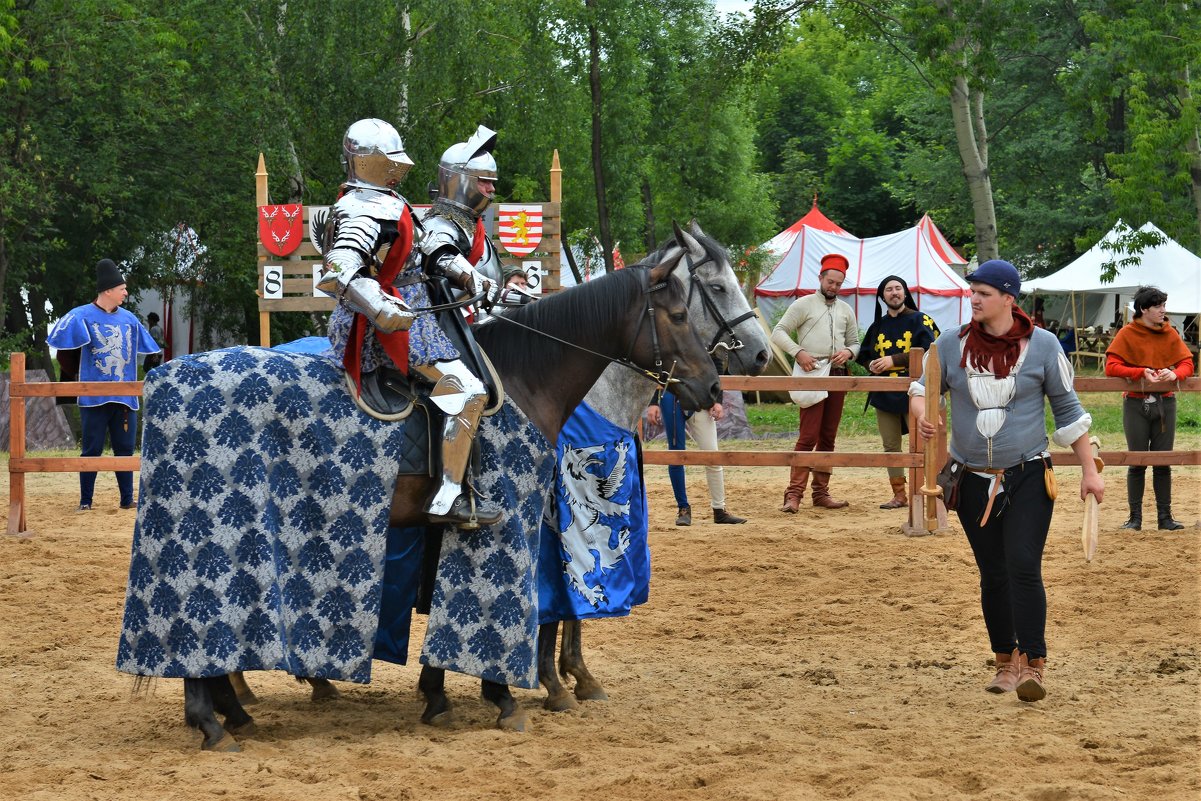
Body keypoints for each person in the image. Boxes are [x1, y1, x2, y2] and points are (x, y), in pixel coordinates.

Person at [909, 259, 1104, 703]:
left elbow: (1069, 412)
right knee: (993, 573)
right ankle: (1004, 660)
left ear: (1008, 299)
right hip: (971, 480)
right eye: (972, 291)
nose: (974, 299)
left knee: (1021, 564)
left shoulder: (1043, 346)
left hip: (1029, 475)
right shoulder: (949, 346)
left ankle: (1034, 663)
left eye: (984, 292)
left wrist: (1090, 470)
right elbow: (922, 391)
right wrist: (926, 418)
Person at [317, 119, 500, 529]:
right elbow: (338, 270)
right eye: (391, 160)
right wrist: (379, 305)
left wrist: (471, 277)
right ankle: (449, 499)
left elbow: (428, 250)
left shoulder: (386, 199)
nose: (401, 168)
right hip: (384, 321)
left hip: (411, 309)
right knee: (469, 391)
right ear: (368, 162)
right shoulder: (360, 205)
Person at [48, 259, 161, 511]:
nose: (126, 293)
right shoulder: (80, 317)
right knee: (91, 450)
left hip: (124, 398)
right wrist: (74, 375)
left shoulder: (130, 320)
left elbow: (151, 353)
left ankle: (126, 500)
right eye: (122, 288)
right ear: (108, 290)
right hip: (93, 397)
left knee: (124, 451)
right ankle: (86, 501)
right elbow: (64, 351)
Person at [770, 252, 860, 511]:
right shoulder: (803, 305)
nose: (834, 287)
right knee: (808, 435)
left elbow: (854, 341)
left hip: (838, 374)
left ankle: (821, 493)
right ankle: (794, 495)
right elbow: (778, 332)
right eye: (830, 281)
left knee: (828, 436)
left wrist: (850, 352)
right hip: (811, 371)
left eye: (839, 283)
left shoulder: (846, 310)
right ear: (820, 278)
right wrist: (798, 352)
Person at [1104, 286, 1194, 531]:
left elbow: (1187, 363)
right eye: (1158, 306)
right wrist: (1139, 372)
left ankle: (1165, 518)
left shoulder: (1170, 333)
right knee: (1137, 460)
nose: (1163, 310)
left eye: (1164, 305)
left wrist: (1174, 373)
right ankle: (1135, 519)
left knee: (1163, 461)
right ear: (1144, 309)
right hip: (1135, 403)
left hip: (1166, 403)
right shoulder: (1127, 333)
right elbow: (1111, 366)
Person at [856, 275, 940, 509]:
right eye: (889, 290)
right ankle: (900, 494)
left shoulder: (920, 320)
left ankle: (928, 489)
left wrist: (894, 360)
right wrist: (871, 365)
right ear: (882, 296)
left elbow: (930, 349)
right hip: (884, 394)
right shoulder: (878, 325)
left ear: (905, 293)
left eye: (898, 289)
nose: (894, 293)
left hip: (915, 392)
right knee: (890, 445)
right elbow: (864, 353)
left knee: (922, 444)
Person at [646, 390, 747, 526]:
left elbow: (715, 370)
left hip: (701, 398)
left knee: (713, 456)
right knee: (676, 455)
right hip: (672, 398)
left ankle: (719, 510)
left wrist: (717, 400)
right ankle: (683, 508)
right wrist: (653, 402)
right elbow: (656, 370)